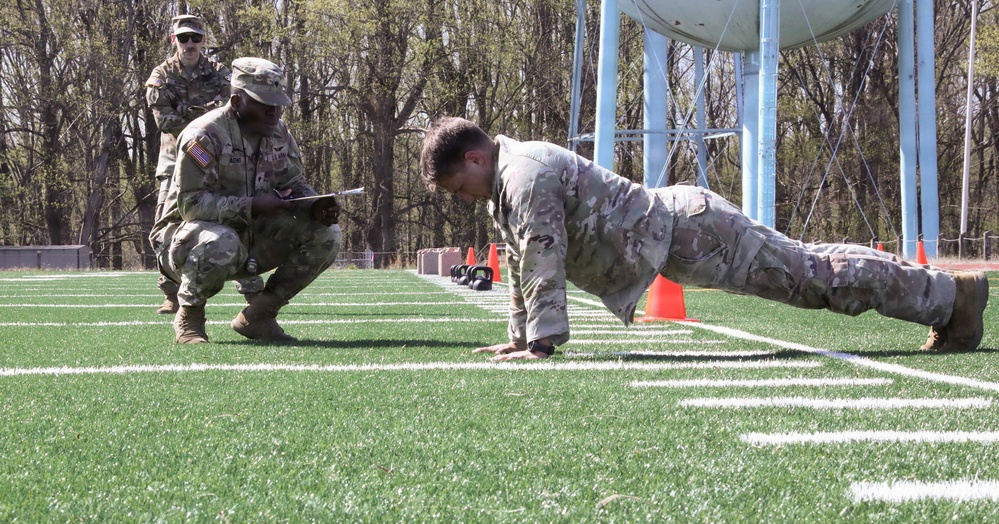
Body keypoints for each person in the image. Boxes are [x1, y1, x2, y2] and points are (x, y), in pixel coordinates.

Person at [419, 116, 989, 361]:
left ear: (475, 157)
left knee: (818, 279)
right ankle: (947, 297)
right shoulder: (505, 182)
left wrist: (540, 343)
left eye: (459, 184)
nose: (462, 196)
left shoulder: (521, 175)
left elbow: (543, 257)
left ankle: (952, 298)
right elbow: (524, 263)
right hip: (678, 236)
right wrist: (520, 338)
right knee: (812, 272)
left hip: (692, 233)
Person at [150, 57, 342, 344]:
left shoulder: (279, 133)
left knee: (327, 235)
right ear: (237, 102)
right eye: (265, 104)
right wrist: (251, 205)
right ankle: (189, 317)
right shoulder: (204, 135)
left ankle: (259, 316)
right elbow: (190, 206)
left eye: (277, 104)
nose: (274, 112)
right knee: (220, 240)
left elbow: (293, 182)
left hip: (251, 236)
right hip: (187, 241)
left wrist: (313, 204)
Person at [146, 15, 259, 315]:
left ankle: (251, 289)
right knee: (165, 225)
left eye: (196, 38)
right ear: (174, 40)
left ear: (203, 41)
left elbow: (232, 110)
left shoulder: (221, 74)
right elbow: (165, 121)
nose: (190, 44)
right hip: (174, 162)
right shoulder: (161, 75)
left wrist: (203, 122)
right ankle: (171, 291)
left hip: (217, 159)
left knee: (237, 214)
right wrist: (205, 121)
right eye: (183, 38)